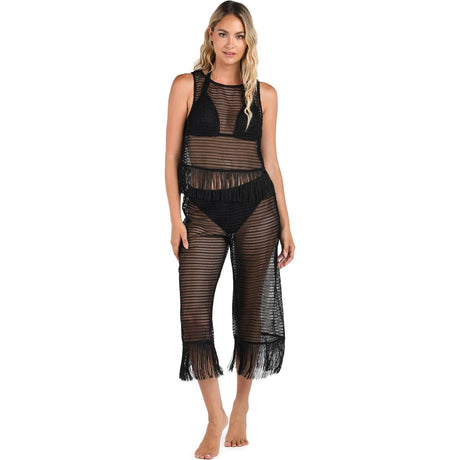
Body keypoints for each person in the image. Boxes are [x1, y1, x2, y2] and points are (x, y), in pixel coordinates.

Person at [164, 2, 295, 458]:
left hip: (258, 209)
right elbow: (170, 157)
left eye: (239, 36)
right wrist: (175, 218)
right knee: (194, 312)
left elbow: (271, 162)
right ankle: (214, 415)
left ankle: (240, 405)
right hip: (201, 212)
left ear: (248, 40)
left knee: (251, 310)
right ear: (211, 36)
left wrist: (287, 223)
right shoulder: (186, 86)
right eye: (223, 34)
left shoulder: (265, 94)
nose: (231, 43)